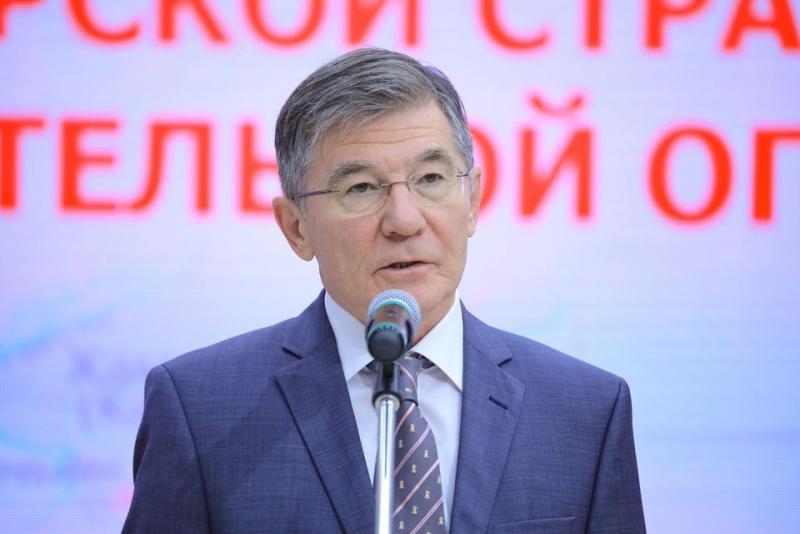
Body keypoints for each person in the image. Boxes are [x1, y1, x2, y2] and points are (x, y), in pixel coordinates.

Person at [123, 48, 645, 533]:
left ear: (472, 201)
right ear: (296, 228)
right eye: (361, 188)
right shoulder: (201, 409)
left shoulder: (585, 412)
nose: (404, 220)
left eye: (431, 178)